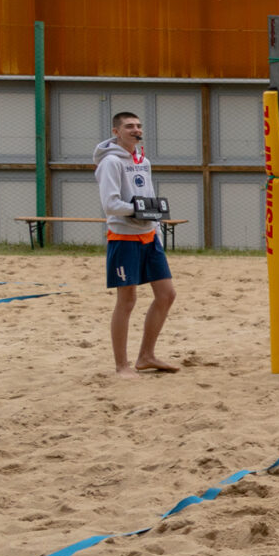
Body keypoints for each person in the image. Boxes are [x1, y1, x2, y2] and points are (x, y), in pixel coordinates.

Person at [95, 111, 176, 376]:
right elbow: (110, 204)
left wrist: (155, 225)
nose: (136, 129)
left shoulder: (143, 161)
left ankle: (146, 356)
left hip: (149, 236)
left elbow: (148, 197)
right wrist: (138, 210)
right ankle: (122, 365)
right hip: (124, 238)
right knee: (127, 300)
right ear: (116, 131)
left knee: (166, 295)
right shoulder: (110, 162)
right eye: (129, 126)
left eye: (139, 125)